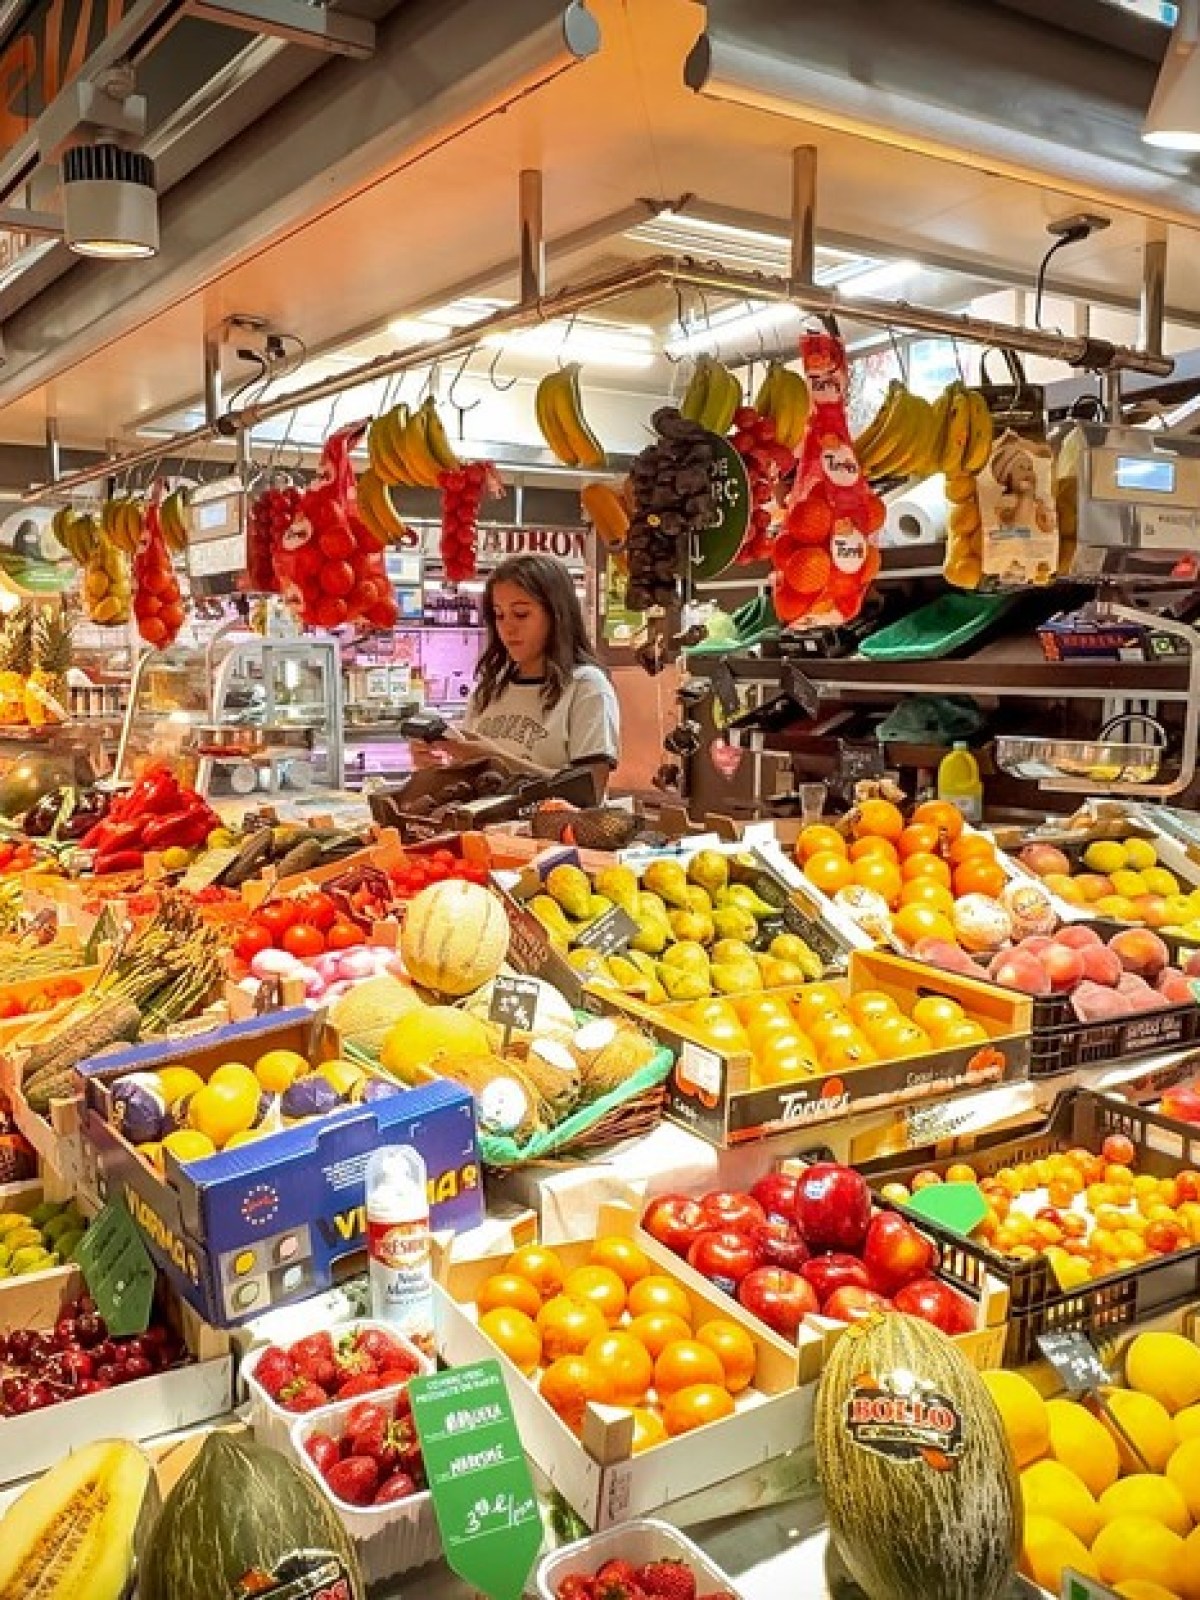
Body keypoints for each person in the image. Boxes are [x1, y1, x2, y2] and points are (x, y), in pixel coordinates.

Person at [417, 553, 620, 793]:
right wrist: (436, 766)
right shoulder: (489, 690)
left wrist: (496, 759)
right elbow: (470, 783)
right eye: (499, 615)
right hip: (485, 829)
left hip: (553, 830)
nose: (508, 628)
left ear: (556, 614)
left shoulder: (586, 687)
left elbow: (590, 790)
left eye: (521, 614)